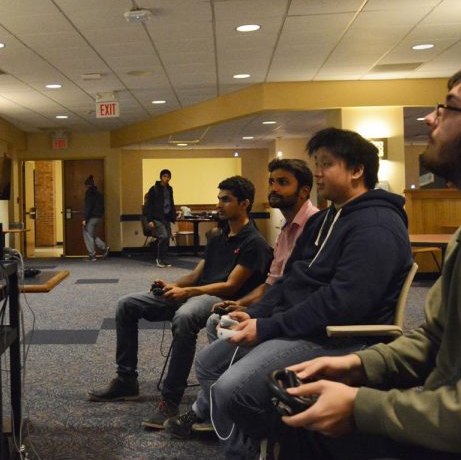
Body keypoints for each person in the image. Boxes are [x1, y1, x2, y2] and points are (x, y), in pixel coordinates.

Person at [265, 58, 461, 460]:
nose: (430, 118)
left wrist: (362, 406)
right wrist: (355, 366)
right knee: (303, 424)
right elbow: (434, 339)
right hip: (455, 417)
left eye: (448, 108)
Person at [165, 128, 412, 460]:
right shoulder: (326, 219)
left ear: (357, 170)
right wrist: (256, 313)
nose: (318, 174)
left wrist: (269, 326)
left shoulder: (376, 224)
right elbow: (290, 280)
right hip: (302, 326)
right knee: (211, 363)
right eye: (317, 165)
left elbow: (345, 303)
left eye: (326, 165)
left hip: (340, 336)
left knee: (231, 391)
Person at [88, 176, 273, 430]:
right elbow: (196, 275)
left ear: (245, 204)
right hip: (198, 293)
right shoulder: (217, 236)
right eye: (219, 198)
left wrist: (188, 293)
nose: (219, 204)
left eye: (226, 200)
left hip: (221, 300)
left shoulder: (255, 243)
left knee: (184, 318)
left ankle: (170, 399)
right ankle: (126, 380)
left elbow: (230, 286)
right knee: (126, 304)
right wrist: (173, 286)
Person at [205, 158, 319, 341]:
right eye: (271, 182)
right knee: (217, 321)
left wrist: (258, 312)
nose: (273, 188)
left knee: (212, 355)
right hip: (275, 305)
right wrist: (241, 304)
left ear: (304, 191)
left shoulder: (315, 225)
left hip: (292, 316)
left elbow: (301, 288)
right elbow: (271, 283)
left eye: (283, 182)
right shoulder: (286, 229)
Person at [143, 169, 176, 268]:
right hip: (157, 217)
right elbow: (148, 205)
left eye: (168, 176)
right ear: (161, 177)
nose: (166, 178)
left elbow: (171, 202)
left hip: (166, 217)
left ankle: (163, 259)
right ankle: (158, 259)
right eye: (164, 176)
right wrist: (149, 220)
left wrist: (173, 214)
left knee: (167, 239)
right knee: (163, 236)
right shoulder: (154, 189)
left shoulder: (169, 189)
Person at [82, 175, 109, 261]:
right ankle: (104, 247)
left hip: (92, 217)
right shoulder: (99, 194)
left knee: (87, 234)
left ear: (87, 185)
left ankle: (92, 255)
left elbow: (88, 207)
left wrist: (85, 219)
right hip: (98, 217)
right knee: (91, 234)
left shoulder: (89, 193)